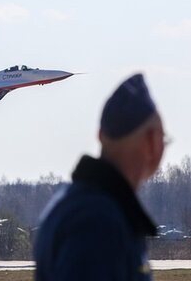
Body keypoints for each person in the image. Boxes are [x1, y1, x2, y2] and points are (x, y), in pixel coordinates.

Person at [34, 73, 166, 281]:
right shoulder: (98, 222)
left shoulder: (74, 203)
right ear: (153, 143)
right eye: (164, 140)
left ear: (100, 135)